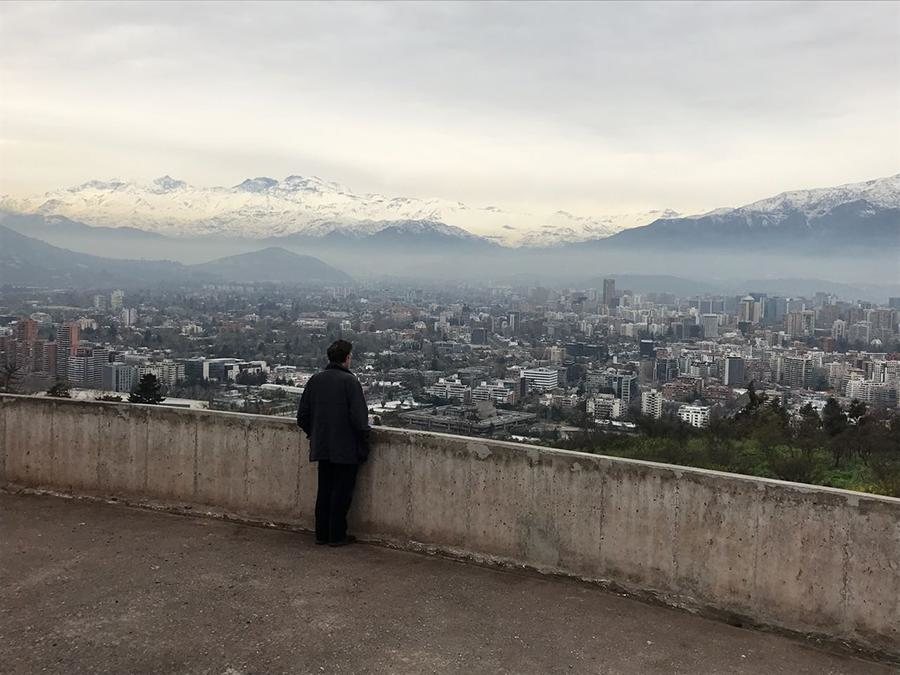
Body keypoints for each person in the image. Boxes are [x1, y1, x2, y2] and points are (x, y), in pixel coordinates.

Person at [297, 339, 371, 546]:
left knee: (325, 490)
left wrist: (317, 434)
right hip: (346, 449)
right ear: (347, 358)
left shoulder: (315, 380)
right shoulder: (350, 382)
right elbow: (359, 419)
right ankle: (337, 535)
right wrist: (363, 441)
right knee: (342, 492)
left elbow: (302, 416)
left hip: (323, 446)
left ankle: (322, 534)